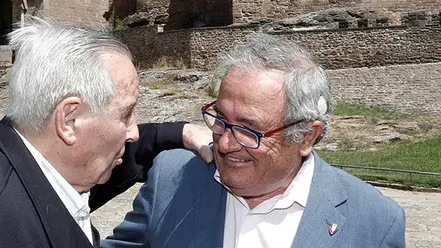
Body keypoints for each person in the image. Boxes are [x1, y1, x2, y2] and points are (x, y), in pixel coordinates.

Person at [0, 16, 214, 248]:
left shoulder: (28, 154)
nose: (132, 132)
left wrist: (183, 132)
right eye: (126, 114)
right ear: (68, 120)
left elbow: (121, 153)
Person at [102, 33, 406, 248]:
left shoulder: (374, 221)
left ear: (306, 137)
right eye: (220, 119)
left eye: (249, 130)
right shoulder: (171, 180)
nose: (223, 144)